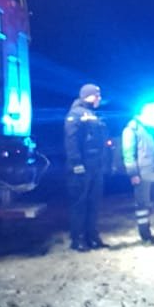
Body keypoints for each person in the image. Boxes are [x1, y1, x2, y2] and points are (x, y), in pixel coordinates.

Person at [64, 82, 109, 252]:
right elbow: (72, 141)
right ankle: (78, 239)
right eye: (97, 95)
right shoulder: (75, 114)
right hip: (81, 167)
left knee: (94, 202)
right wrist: (76, 163)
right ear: (87, 96)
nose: (99, 98)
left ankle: (93, 237)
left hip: (95, 166)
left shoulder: (92, 114)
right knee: (80, 203)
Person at [121, 111, 154, 244]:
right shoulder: (131, 130)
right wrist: (133, 173)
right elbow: (128, 154)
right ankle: (146, 237)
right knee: (143, 206)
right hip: (142, 173)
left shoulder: (152, 130)